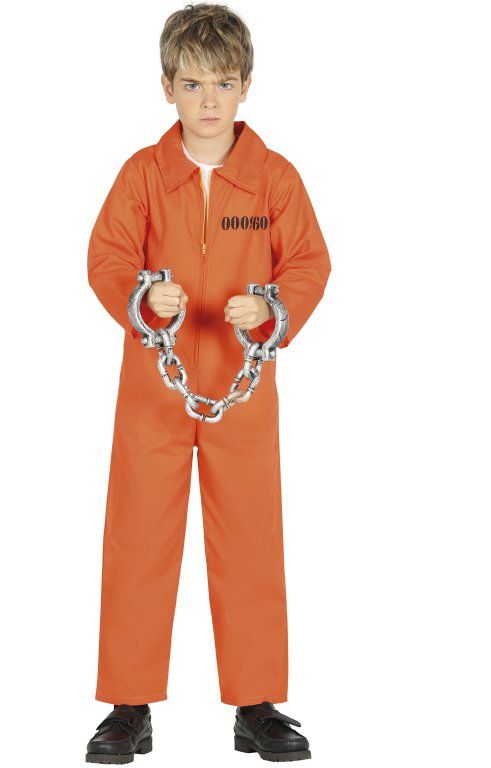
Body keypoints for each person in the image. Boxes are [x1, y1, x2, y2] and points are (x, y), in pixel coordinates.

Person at [85, 3, 331, 763]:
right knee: (139, 541)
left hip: (242, 390)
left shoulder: (274, 180)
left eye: (223, 83)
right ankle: (128, 705)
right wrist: (139, 298)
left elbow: (309, 262)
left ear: (246, 84)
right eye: (192, 85)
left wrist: (273, 309)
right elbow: (107, 256)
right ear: (167, 88)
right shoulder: (142, 175)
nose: (209, 100)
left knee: (250, 539)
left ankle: (256, 705)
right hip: (154, 391)